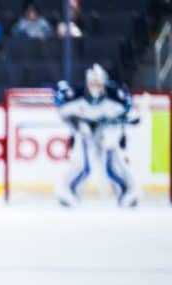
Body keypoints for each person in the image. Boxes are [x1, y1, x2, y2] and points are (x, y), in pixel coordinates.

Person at [53, 63, 140, 207]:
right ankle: (68, 191)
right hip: (85, 132)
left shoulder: (116, 96)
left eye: (98, 83)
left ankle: (128, 192)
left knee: (112, 166)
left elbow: (130, 113)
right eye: (92, 83)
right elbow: (62, 109)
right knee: (83, 165)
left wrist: (121, 121)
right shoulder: (75, 94)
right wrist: (77, 124)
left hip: (107, 132)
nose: (95, 86)